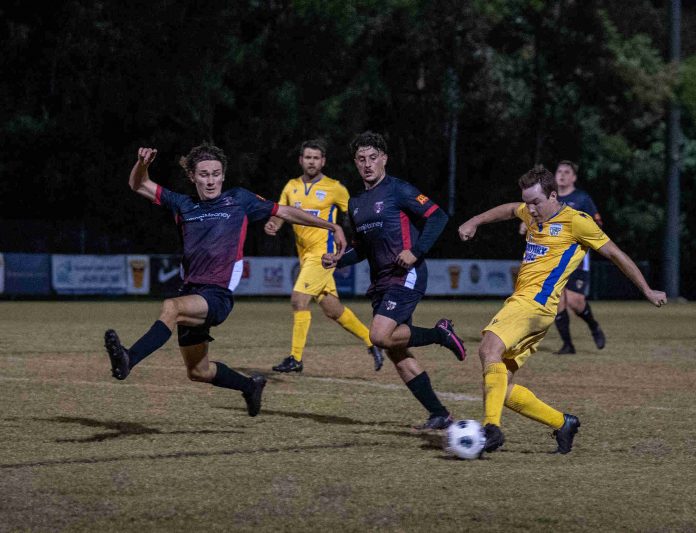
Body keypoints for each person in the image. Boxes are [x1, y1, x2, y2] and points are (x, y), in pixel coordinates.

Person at [104, 143, 346, 418]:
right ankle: (250, 386)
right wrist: (142, 164)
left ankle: (129, 359)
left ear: (223, 176)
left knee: (171, 307)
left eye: (216, 174)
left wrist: (331, 225)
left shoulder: (239, 200)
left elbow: (285, 211)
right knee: (198, 371)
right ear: (192, 176)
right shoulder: (183, 204)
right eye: (204, 174)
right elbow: (138, 184)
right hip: (192, 292)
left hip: (217, 296)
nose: (210, 181)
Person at [458, 165, 666, 454]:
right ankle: (563, 423)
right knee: (500, 385)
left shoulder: (576, 222)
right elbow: (509, 210)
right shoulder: (531, 213)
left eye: (536, 202)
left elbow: (616, 254)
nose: (530, 209)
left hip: (534, 303)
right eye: (528, 203)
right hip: (535, 308)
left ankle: (491, 429)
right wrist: (474, 221)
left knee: (488, 349)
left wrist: (646, 290)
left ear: (553, 196)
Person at [322, 131, 468, 430]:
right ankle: (439, 413)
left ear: (384, 159)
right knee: (396, 351)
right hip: (380, 283)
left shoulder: (398, 189)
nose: (367, 164)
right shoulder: (356, 203)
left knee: (379, 335)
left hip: (405, 276)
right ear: (355, 163)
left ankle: (440, 334)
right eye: (361, 159)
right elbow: (362, 248)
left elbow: (438, 217)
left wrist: (416, 251)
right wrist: (339, 259)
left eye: (373, 158)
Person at [264, 139, 384, 373]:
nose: (312, 162)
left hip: (322, 256)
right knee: (333, 310)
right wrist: (273, 224)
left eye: (316, 158)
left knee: (299, 300)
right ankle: (371, 341)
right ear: (301, 160)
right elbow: (281, 212)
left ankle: (295, 359)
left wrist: (366, 235)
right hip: (304, 256)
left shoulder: (334, 188)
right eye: (308, 157)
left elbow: (356, 212)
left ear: (323, 161)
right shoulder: (291, 186)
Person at [553, 160, 605, 354]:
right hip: (554, 256)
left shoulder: (582, 198)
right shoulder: (550, 197)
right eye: (559, 171)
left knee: (575, 302)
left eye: (567, 172)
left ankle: (593, 325)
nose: (562, 175)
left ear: (574, 177)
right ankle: (568, 345)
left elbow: (598, 224)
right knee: (556, 299)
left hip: (577, 256)